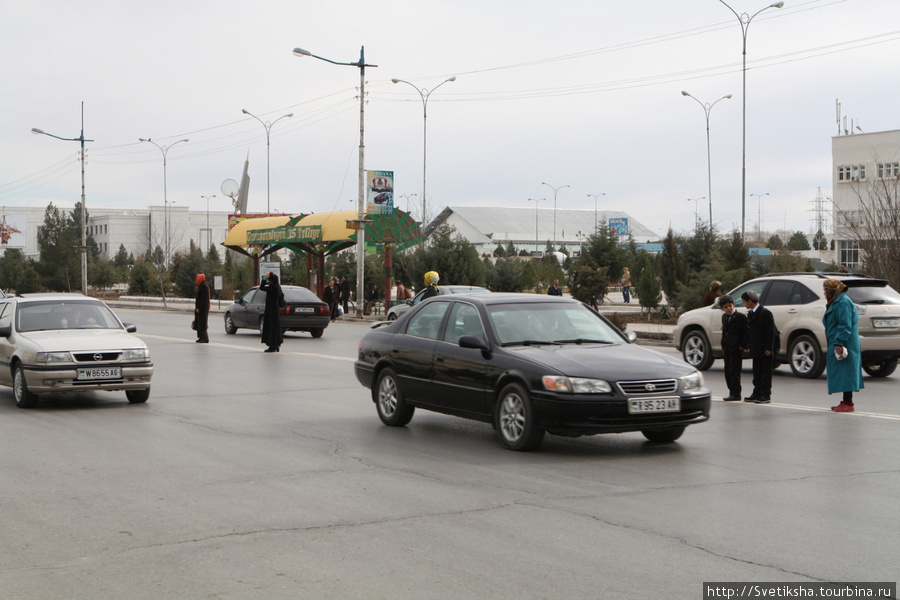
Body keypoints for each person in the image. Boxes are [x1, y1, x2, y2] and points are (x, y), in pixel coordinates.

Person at [823, 279, 864, 412]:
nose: (824, 293)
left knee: (846, 371)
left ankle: (848, 402)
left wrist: (839, 343)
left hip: (846, 342)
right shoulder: (837, 301)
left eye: (826, 291)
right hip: (842, 340)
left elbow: (845, 324)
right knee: (844, 371)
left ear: (833, 291)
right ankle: (846, 401)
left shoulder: (842, 303)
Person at [741, 289, 776, 403]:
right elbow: (751, 331)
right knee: (757, 372)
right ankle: (756, 392)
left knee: (765, 373)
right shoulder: (751, 313)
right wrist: (749, 345)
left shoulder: (765, 313)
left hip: (765, 349)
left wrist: (769, 348)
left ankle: (766, 394)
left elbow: (771, 332)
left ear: (750, 301)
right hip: (756, 348)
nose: (744, 304)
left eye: (744, 302)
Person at [719, 295, 749, 401]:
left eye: (730, 306)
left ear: (733, 305)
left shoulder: (740, 316)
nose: (728, 308)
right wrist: (723, 343)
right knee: (727, 370)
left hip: (736, 348)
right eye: (725, 307)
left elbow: (746, 332)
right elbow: (725, 332)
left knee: (734, 371)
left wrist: (742, 345)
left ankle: (736, 393)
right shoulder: (725, 317)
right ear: (722, 308)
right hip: (728, 347)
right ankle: (731, 390)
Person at [259, 271, 283, 353]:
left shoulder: (272, 286)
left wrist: (264, 278)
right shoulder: (277, 286)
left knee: (271, 326)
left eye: (268, 279)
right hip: (275, 308)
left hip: (271, 309)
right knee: (275, 326)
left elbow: (261, 287)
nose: (268, 281)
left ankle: (272, 345)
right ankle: (276, 344)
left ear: (271, 280)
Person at [194, 273, 211, 343]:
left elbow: (203, 299)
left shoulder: (204, 286)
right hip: (201, 308)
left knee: (202, 322)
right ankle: (201, 337)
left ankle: (205, 338)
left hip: (203, 308)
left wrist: (199, 307)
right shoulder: (201, 286)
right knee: (199, 322)